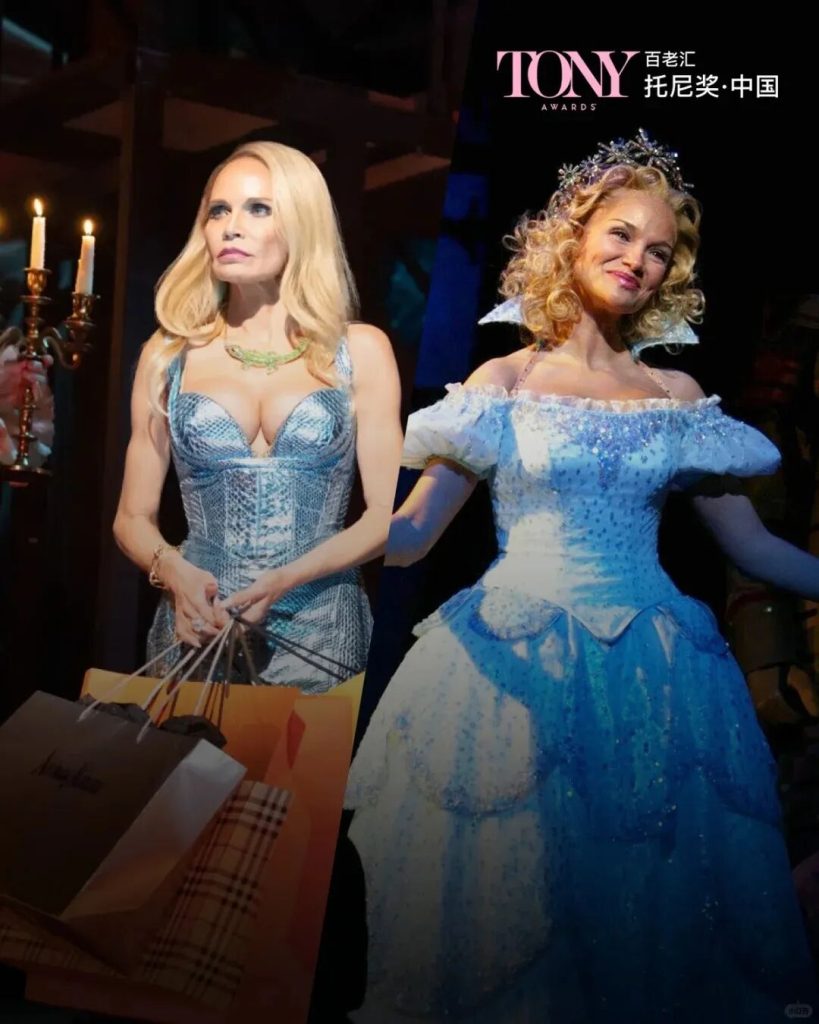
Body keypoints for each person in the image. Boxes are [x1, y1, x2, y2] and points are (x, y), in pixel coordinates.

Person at [344, 132, 819, 1021]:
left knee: (644, 917)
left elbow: (754, 550)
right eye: (621, 234)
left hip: (656, 676)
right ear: (572, 236)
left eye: (658, 250)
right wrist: (308, 543)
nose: (637, 258)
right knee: (517, 914)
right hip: (512, 672)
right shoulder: (506, 377)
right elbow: (409, 536)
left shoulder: (675, 398)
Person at [114, 141, 402, 691]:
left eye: (258, 209)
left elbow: (387, 515)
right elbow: (131, 517)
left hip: (323, 636)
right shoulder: (167, 356)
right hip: (198, 631)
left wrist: (286, 579)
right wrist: (175, 573)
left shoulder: (361, 350)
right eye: (218, 211)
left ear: (301, 225)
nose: (231, 227)